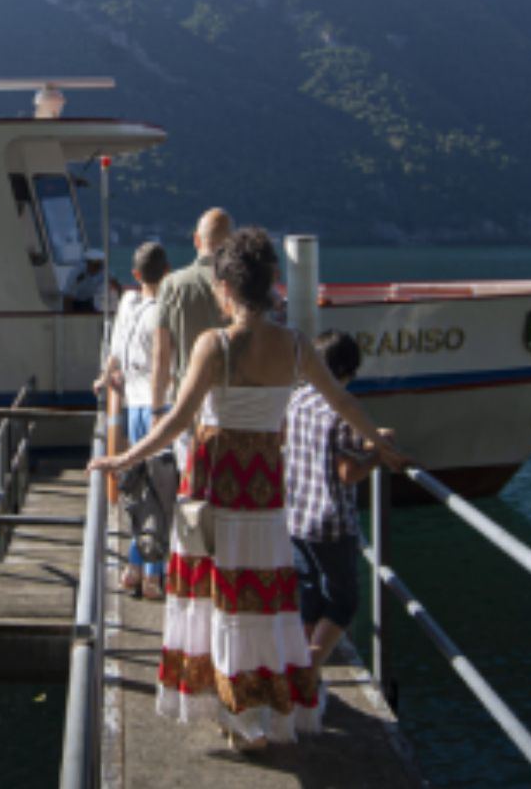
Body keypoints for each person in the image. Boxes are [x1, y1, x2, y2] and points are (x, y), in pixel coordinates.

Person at [89, 228, 408, 751]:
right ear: (272, 282)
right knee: (261, 604)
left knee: (217, 602)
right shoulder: (297, 345)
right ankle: (256, 709)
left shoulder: (214, 345)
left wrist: (123, 458)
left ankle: (236, 715)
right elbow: (344, 404)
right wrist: (380, 445)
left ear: (225, 288)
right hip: (263, 495)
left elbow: (177, 423)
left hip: (214, 487)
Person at [285, 331, 408, 671]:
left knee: (310, 594)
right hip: (330, 522)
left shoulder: (298, 399)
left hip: (297, 517)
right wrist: (379, 455)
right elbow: (347, 472)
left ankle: (299, 664)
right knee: (344, 602)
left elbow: (321, 446)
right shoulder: (340, 410)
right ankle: (309, 669)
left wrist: (369, 439)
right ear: (348, 370)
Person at [101, 242, 176, 599]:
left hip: (134, 406)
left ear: (135, 274)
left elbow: (115, 353)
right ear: (168, 272)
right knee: (161, 495)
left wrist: (105, 378)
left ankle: (134, 567)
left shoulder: (128, 304)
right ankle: (152, 573)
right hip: (159, 407)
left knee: (137, 489)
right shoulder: (165, 310)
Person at [150, 208, 233, 473]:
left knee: (191, 485)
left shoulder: (173, 285)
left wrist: (157, 411)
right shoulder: (238, 286)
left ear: (197, 239)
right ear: (230, 242)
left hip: (188, 407)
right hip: (234, 407)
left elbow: (161, 357)